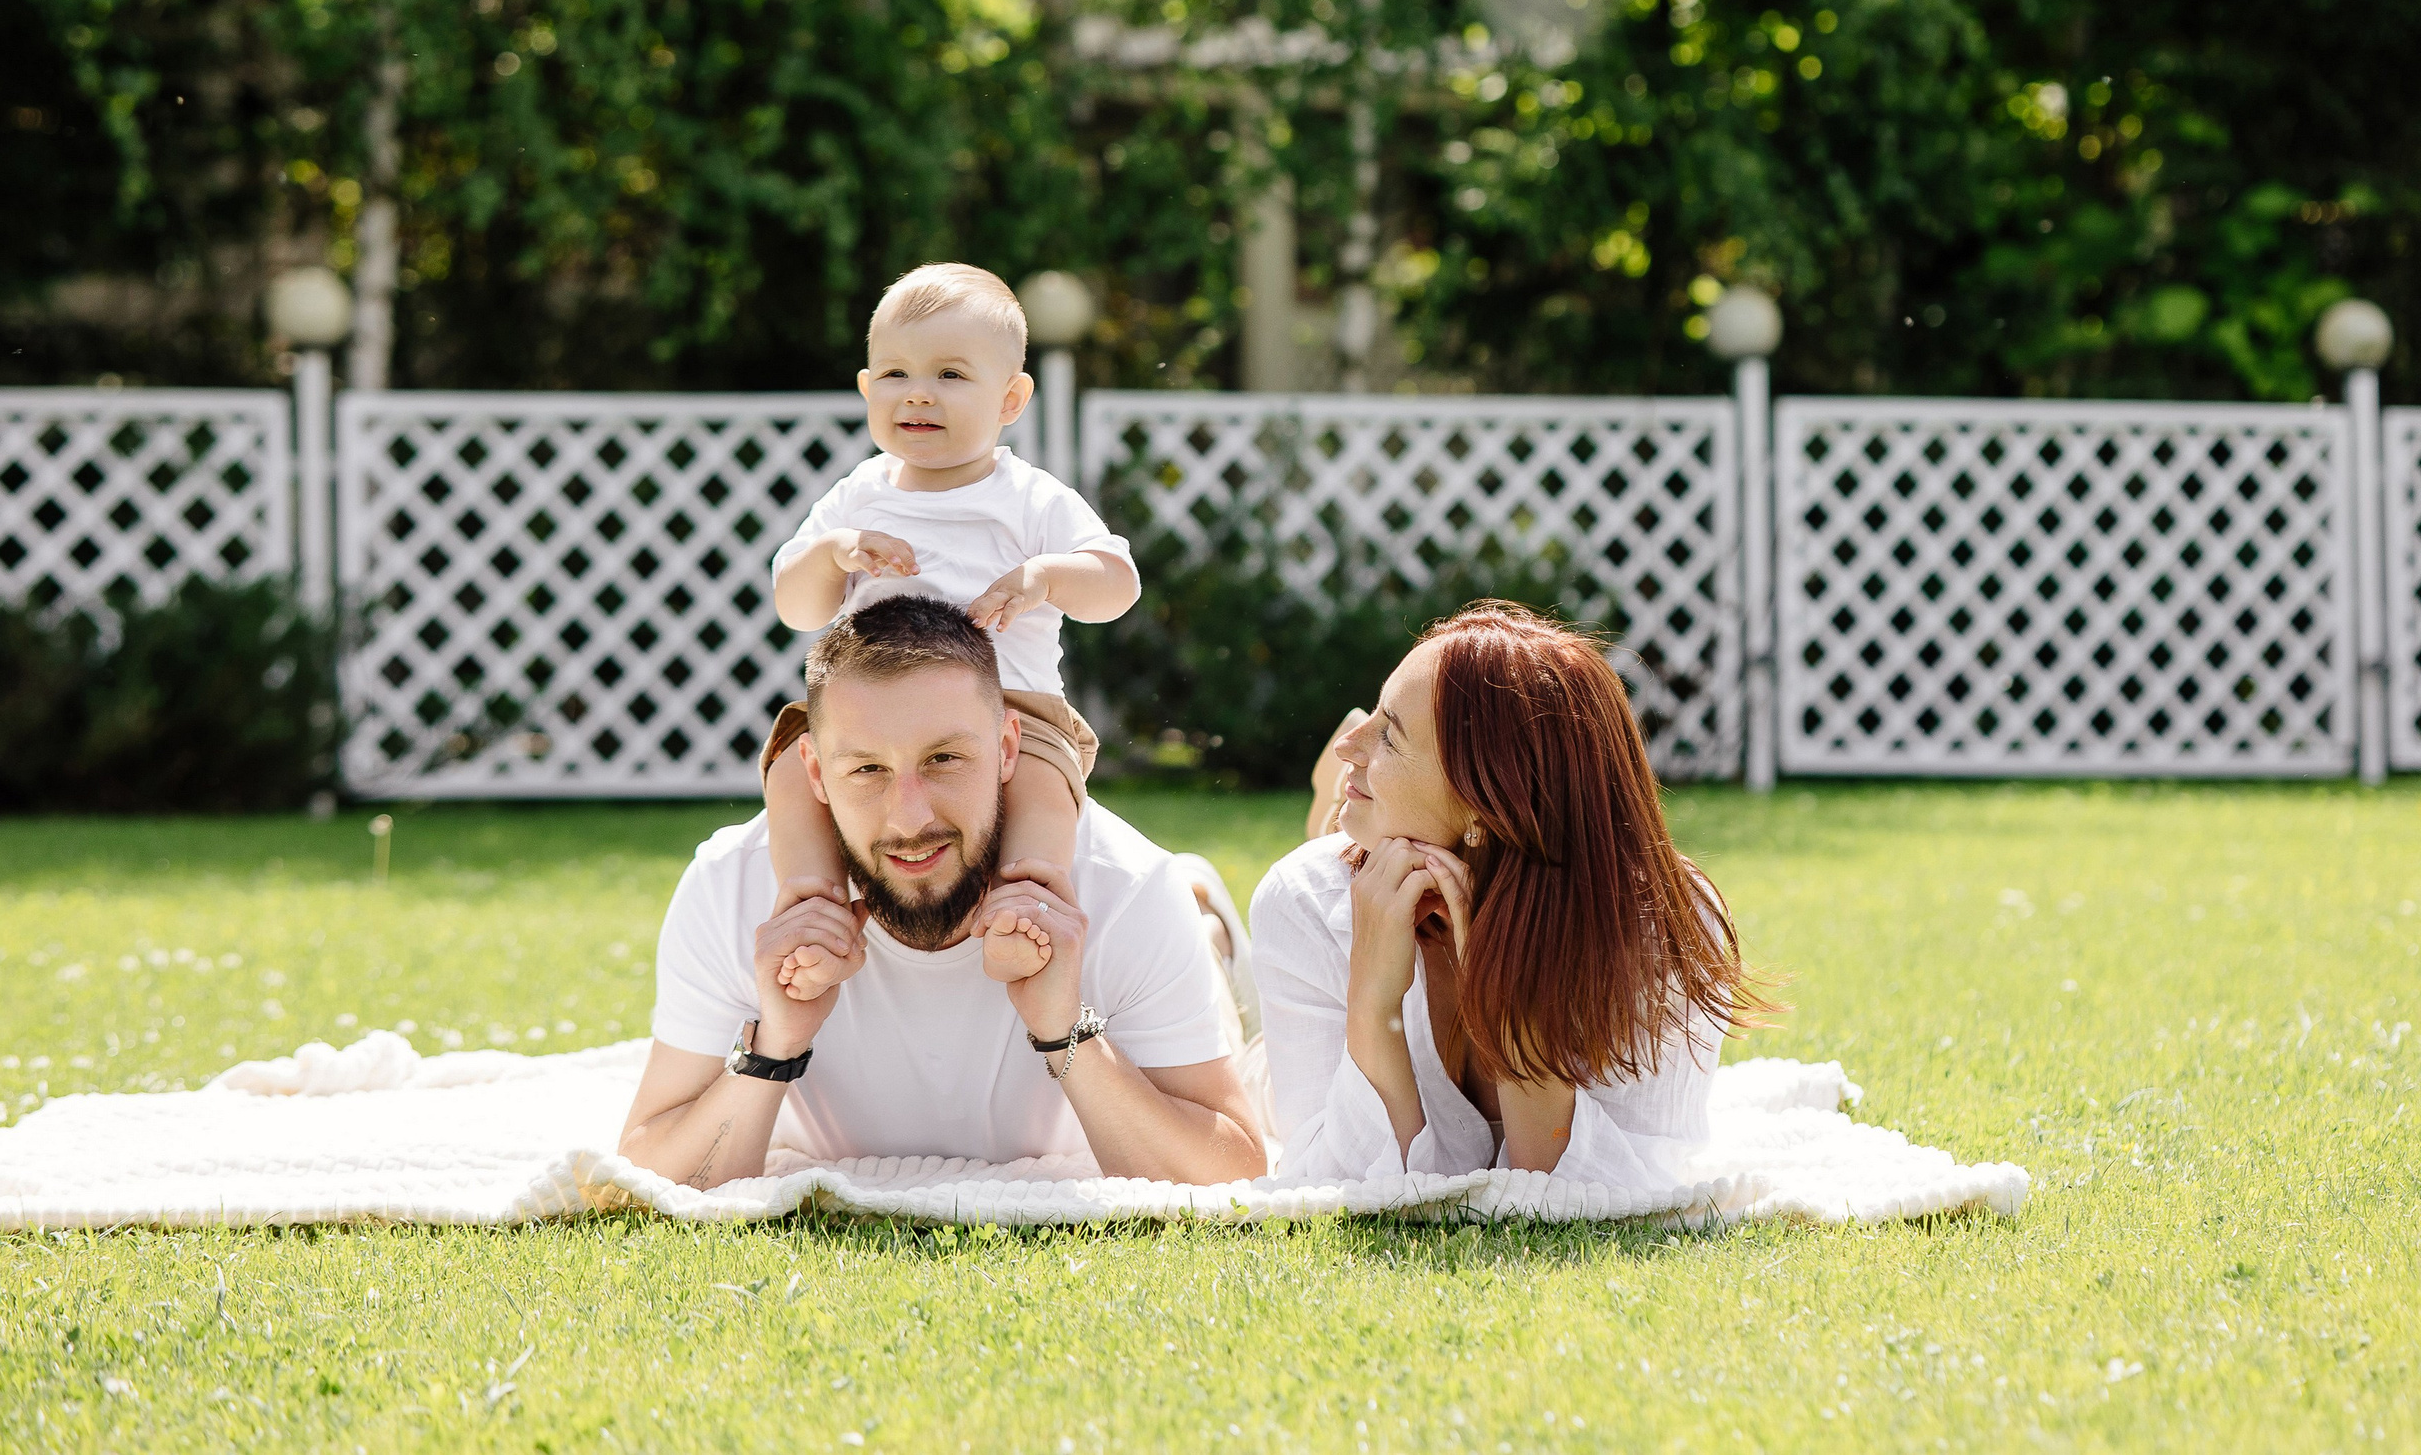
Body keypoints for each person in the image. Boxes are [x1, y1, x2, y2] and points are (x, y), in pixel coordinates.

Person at [618, 593, 1266, 1189]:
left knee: (1197, 950)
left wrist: (1065, 1029)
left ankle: (1206, 923)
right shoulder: (732, 885)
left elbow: (1234, 1173)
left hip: (1161, 922)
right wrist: (773, 1048)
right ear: (814, 770)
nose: (909, 819)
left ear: (1008, 747)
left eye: (944, 760)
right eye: (867, 769)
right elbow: (649, 1170)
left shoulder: (1126, 887)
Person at [1251, 602, 1768, 1183]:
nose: (1349, 743)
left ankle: (1335, 811)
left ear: (1485, 800)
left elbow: (1612, 1190)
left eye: (1389, 737)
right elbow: (1327, 1183)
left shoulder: (1662, 924)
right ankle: (1246, 882)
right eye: (1370, 715)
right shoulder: (1306, 902)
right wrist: (1372, 1007)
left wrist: (1502, 999)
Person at [762, 263, 1140, 998]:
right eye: (897, 373)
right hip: (872, 726)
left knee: (1038, 784)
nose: (920, 392)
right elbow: (795, 604)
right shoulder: (857, 497)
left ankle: (1028, 902)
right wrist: (835, 552)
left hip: (1011, 713)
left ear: (1011, 399)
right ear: (868, 390)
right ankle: (811, 903)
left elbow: (1117, 583)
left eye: (951, 374)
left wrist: (1045, 576)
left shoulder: (1028, 498)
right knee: (788, 764)